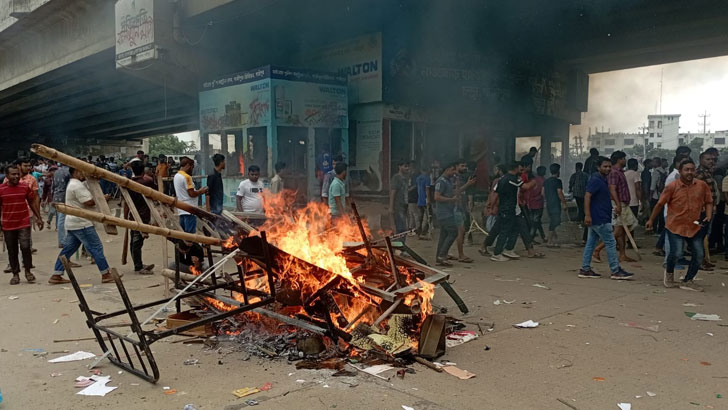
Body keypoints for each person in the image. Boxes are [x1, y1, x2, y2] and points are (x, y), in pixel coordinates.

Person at [647, 158, 712, 291]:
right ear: (680, 171)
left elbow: (709, 201)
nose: (689, 172)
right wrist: (651, 220)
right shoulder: (672, 186)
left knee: (699, 254)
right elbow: (660, 204)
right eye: (686, 170)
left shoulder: (701, 185)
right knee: (676, 253)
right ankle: (669, 275)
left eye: (692, 169)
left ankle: (688, 280)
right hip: (675, 225)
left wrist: (709, 215)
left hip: (695, 225)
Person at [49, 167, 117, 285]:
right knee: (96, 247)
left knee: (68, 249)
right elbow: (88, 202)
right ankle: (106, 274)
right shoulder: (77, 185)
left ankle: (56, 274)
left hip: (74, 222)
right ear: (76, 172)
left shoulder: (75, 183)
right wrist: (103, 198)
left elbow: (88, 185)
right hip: (81, 223)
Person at [578, 157, 634, 280]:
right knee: (610, 242)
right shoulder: (596, 180)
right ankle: (615, 270)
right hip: (599, 217)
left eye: (609, 166)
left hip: (599, 215)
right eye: (605, 166)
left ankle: (585, 268)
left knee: (591, 243)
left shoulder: (602, 179)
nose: (608, 169)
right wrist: (587, 214)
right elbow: (587, 196)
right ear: (598, 167)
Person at [0, 165, 43, 285]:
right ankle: (15, 274)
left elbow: (32, 202)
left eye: (17, 174)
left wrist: (38, 217)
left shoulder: (25, 187)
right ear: (7, 176)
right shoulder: (1, 189)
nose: (16, 176)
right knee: (12, 250)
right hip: (8, 224)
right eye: (13, 174)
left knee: (25, 247)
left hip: (23, 222)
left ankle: (28, 271)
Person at [593, 151, 637, 262]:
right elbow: (612, 189)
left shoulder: (620, 172)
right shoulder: (614, 173)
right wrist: (618, 204)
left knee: (621, 230)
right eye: (624, 158)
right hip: (618, 203)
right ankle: (597, 249)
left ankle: (622, 254)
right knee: (618, 230)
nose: (625, 160)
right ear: (619, 159)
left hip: (621, 203)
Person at [125, 161, 155, 275]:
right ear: (143, 171)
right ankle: (138, 266)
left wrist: (126, 215)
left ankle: (138, 263)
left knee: (134, 240)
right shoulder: (147, 182)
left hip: (133, 214)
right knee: (137, 241)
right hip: (143, 214)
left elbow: (126, 202)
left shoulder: (129, 183)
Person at [490, 161, 523, 262]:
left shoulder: (502, 179)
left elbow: (495, 194)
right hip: (507, 209)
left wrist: (492, 205)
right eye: (520, 168)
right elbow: (524, 186)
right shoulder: (510, 179)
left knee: (513, 229)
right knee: (504, 231)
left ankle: (508, 249)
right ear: (516, 168)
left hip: (506, 208)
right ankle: (497, 253)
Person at [695, 150, 718, 270]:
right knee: (701, 235)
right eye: (708, 159)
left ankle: (704, 259)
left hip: (709, 209)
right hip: (702, 210)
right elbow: (697, 193)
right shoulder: (700, 174)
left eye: (713, 159)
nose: (711, 161)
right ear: (701, 160)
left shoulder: (708, 173)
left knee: (705, 235)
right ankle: (700, 261)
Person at [434, 162, 460, 266]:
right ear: (447, 169)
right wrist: (451, 200)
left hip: (448, 211)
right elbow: (436, 197)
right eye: (453, 170)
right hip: (443, 213)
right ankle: (442, 255)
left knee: (444, 235)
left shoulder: (448, 181)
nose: (454, 172)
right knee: (453, 232)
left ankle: (440, 256)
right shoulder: (441, 181)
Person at [174, 157, 208, 234]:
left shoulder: (176, 176)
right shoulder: (187, 177)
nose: (192, 170)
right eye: (192, 167)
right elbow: (191, 194)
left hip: (181, 208)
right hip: (189, 209)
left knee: (183, 234)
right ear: (188, 166)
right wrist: (201, 191)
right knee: (190, 235)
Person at [480, 164, 505, 256]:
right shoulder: (500, 180)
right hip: (498, 206)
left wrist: (489, 205)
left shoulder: (497, 181)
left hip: (495, 206)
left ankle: (493, 244)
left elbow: (493, 195)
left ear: (499, 170)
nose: (494, 172)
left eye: (495, 169)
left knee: (492, 226)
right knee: (494, 226)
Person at [453, 160, 476, 262]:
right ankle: (460, 254)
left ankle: (445, 253)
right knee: (460, 231)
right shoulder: (453, 178)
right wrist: (467, 184)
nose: (464, 168)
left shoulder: (464, 177)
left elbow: (468, 191)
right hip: (454, 207)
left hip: (461, 205)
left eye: (465, 166)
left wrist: (469, 201)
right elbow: (454, 192)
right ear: (456, 166)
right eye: (462, 166)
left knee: (460, 230)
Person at [544, 163, 567, 247]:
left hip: (549, 204)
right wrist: (564, 203)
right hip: (555, 204)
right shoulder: (558, 181)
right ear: (558, 172)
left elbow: (542, 193)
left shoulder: (546, 181)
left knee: (553, 220)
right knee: (555, 221)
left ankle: (552, 237)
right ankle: (549, 241)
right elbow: (559, 192)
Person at [389, 160, 411, 239]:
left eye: (408, 166)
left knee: (404, 228)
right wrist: (391, 208)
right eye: (405, 166)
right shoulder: (396, 178)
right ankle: (399, 247)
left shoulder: (405, 178)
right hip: (398, 207)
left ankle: (401, 247)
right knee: (400, 228)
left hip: (404, 206)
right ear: (399, 167)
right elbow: (393, 193)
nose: (407, 168)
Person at [569, 162, 589, 243]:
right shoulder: (586, 175)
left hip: (577, 194)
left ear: (576, 167)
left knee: (580, 207)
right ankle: (582, 219)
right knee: (583, 207)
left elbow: (571, 183)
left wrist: (570, 189)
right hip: (584, 193)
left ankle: (580, 219)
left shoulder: (574, 175)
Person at [528, 165, 547, 242]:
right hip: (539, 203)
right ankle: (530, 239)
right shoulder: (544, 181)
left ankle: (543, 236)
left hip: (531, 202)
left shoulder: (533, 180)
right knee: (535, 222)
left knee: (536, 221)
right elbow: (543, 194)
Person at [415, 167, 431, 239]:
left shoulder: (418, 178)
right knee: (429, 216)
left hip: (419, 200)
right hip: (425, 200)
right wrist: (428, 199)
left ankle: (418, 232)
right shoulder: (427, 178)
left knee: (420, 217)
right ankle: (424, 232)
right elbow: (427, 189)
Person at [640, 158, 653, 222]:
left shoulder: (645, 172)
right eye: (651, 163)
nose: (652, 164)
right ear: (647, 164)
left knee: (647, 209)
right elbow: (645, 184)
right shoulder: (646, 173)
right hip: (646, 193)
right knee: (647, 209)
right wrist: (647, 194)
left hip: (645, 193)